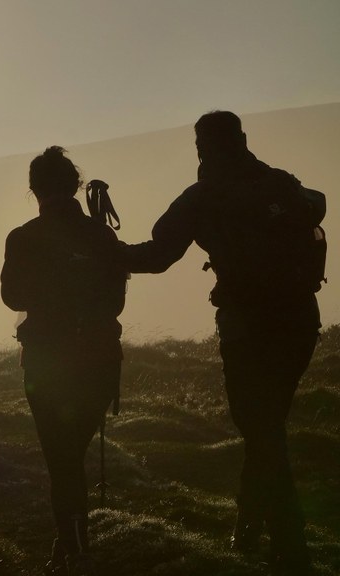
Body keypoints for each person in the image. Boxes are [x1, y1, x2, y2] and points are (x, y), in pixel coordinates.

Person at [121, 111, 325, 576]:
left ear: (201, 147)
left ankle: (291, 551)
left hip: (248, 329)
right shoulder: (281, 183)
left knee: (263, 432)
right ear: (243, 139)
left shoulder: (203, 197)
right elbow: (319, 205)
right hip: (299, 322)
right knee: (266, 428)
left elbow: (156, 255)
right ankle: (250, 525)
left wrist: (103, 253)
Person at [1, 146, 127, 576]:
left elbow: (12, 297)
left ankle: (74, 549)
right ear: (74, 185)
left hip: (47, 363)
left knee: (61, 457)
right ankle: (73, 543)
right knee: (72, 452)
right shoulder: (102, 236)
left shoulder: (23, 238)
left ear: (34, 189)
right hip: (99, 359)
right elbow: (115, 301)